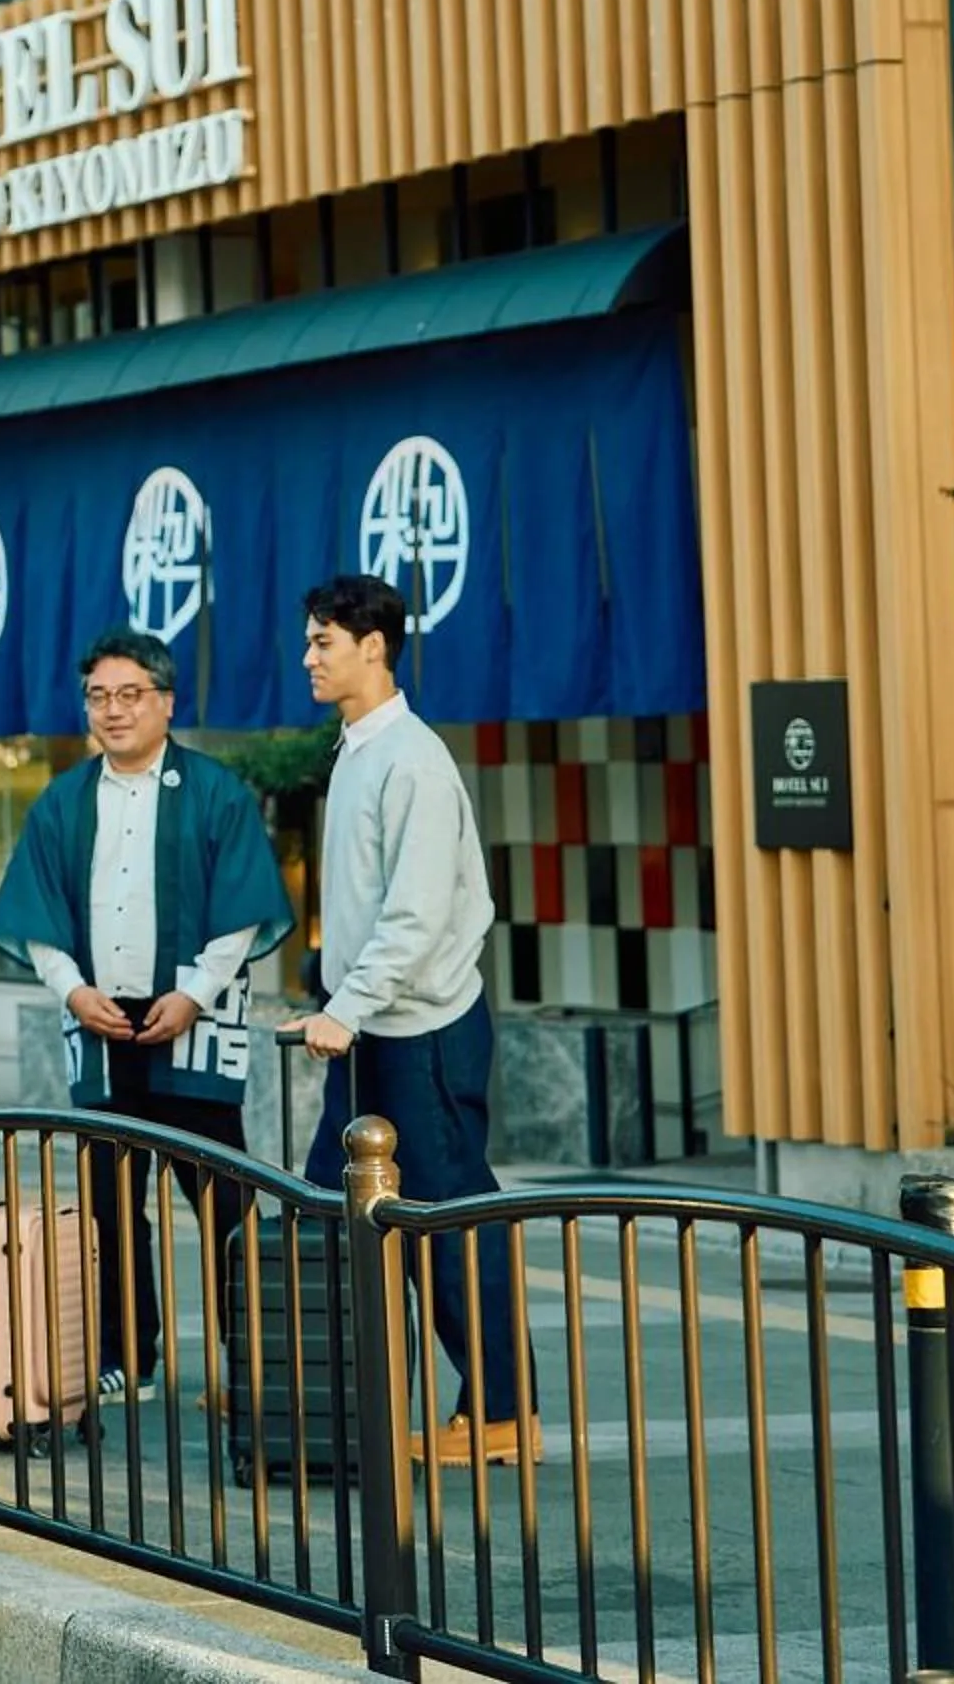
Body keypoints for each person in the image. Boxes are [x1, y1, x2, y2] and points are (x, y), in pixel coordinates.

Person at [0, 629, 293, 1407]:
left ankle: (251, 1358)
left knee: (224, 1199)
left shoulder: (215, 791)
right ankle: (129, 1356)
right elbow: (36, 911)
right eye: (99, 696)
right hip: (101, 1022)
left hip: (191, 1016)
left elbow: (242, 911)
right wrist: (70, 990)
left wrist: (195, 993)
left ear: (166, 702)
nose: (113, 710)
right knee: (110, 1205)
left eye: (130, 695)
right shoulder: (64, 800)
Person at [291, 573, 536, 1468]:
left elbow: (417, 914)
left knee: (448, 1222)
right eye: (309, 640)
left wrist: (345, 1006)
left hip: (422, 1033)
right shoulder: (357, 748)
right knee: (331, 1207)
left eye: (323, 641)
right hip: (371, 1027)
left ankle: (503, 1412)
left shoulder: (413, 761)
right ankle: (318, 1392)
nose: (308, 657)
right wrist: (337, 997)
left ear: (374, 647)